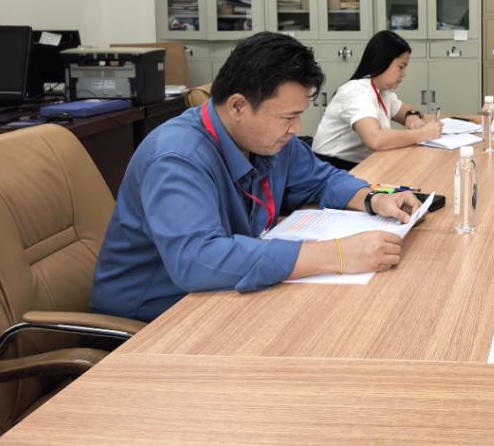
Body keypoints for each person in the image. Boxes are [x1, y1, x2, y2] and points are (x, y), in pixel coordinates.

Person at [90, 32, 420, 322]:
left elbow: (320, 179)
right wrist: (337, 255)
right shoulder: (177, 157)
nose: (296, 129)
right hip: (152, 321)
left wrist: (373, 199)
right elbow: (198, 259)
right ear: (238, 106)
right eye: (288, 117)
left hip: (222, 299)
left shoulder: (266, 137)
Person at [312, 30, 441, 169]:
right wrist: (422, 134)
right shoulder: (357, 91)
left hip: (360, 164)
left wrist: (411, 116)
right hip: (332, 167)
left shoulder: (382, 91)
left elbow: (408, 110)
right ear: (383, 61)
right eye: (401, 67)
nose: (404, 74)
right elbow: (375, 139)